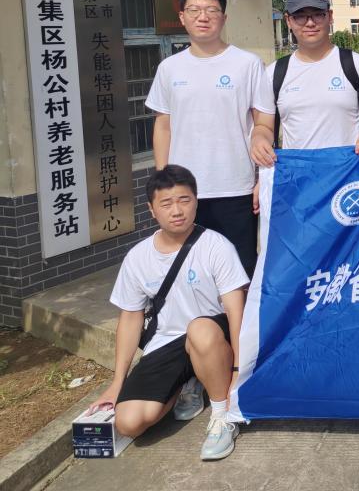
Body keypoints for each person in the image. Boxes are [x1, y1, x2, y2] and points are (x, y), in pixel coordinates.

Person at [87, 165, 250, 460]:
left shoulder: (216, 246)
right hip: (167, 342)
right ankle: (191, 380)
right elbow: (130, 318)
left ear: (196, 202)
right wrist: (117, 382)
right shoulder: (137, 257)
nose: (177, 210)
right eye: (166, 203)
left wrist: (239, 371)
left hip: (212, 336)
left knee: (199, 330)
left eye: (184, 200)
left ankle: (222, 415)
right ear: (152, 210)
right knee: (129, 423)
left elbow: (236, 311)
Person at [146, 0, 274, 277]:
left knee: (239, 269)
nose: (203, 17)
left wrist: (261, 179)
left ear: (223, 18)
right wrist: (162, 181)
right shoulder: (169, 68)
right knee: (189, 270)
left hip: (236, 188)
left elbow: (264, 122)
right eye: (194, 10)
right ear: (182, 17)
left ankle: (238, 311)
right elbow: (163, 126)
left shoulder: (247, 64)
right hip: (183, 190)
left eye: (211, 10)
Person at [249, 0, 359, 166]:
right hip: (298, 175)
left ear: (330, 16)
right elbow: (263, 125)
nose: (310, 23)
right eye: (300, 16)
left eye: (318, 14)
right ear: (288, 21)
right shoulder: (275, 72)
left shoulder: (357, 65)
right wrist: (258, 139)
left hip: (347, 173)